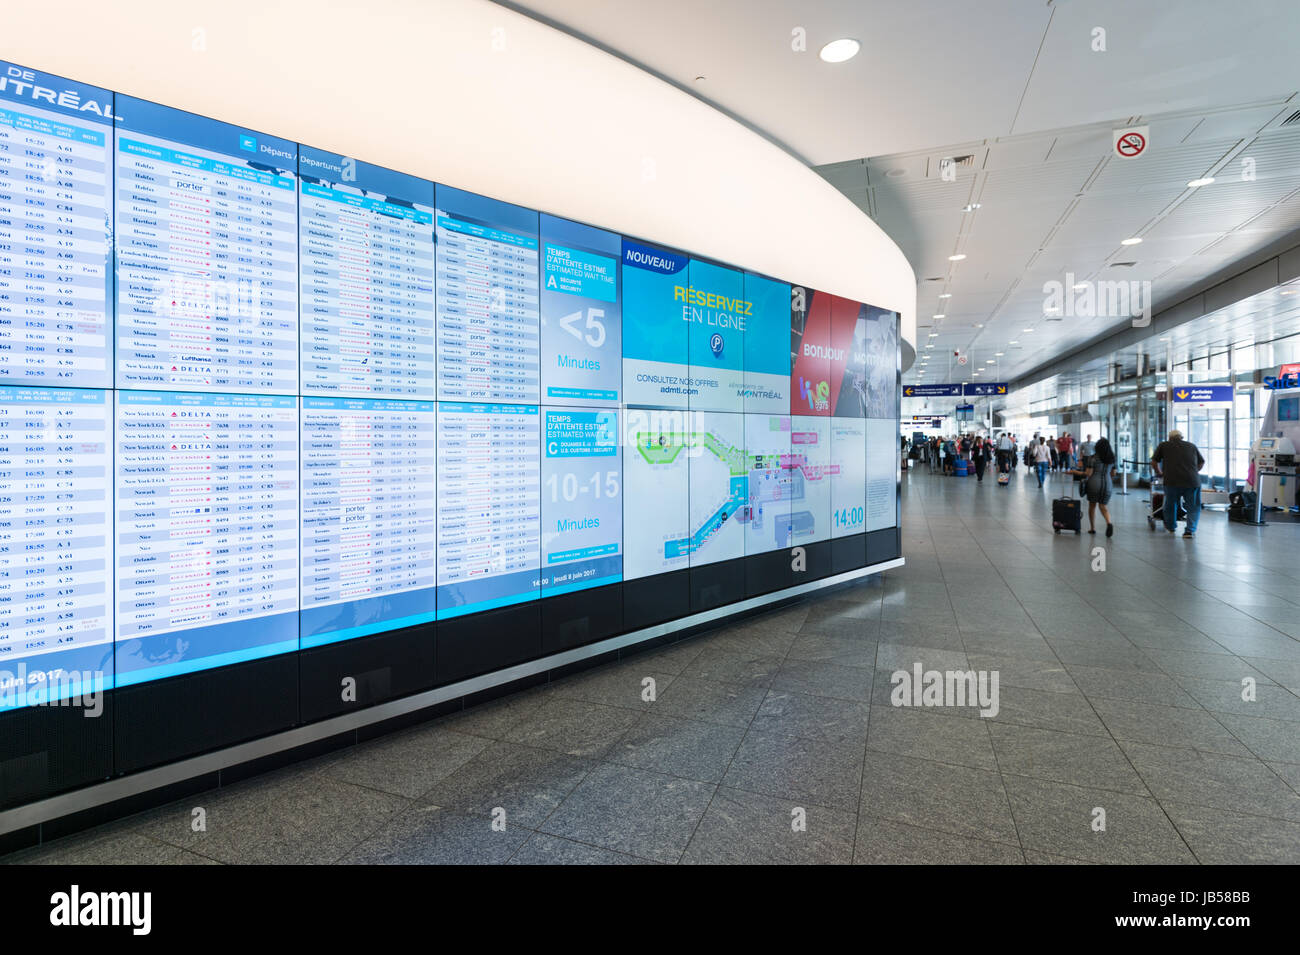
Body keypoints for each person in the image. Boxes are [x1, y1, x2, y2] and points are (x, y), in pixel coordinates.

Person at [1151, 429, 1205, 538]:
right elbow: (1202, 461)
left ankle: (1171, 527)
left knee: (1170, 504)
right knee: (1193, 506)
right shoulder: (1191, 446)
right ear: (1182, 437)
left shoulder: (1164, 445)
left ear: (1169, 438)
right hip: (1192, 481)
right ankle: (1189, 531)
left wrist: (1159, 473)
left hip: (1171, 480)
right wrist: (1194, 472)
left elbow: (1153, 462)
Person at [1077, 436, 1117, 536]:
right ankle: (1109, 523)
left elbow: (1088, 473)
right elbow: (1114, 473)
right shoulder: (1112, 459)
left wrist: (1075, 472)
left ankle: (1092, 528)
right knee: (1103, 506)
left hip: (1094, 483)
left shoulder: (1093, 458)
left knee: (1092, 506)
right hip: (1107, 484)